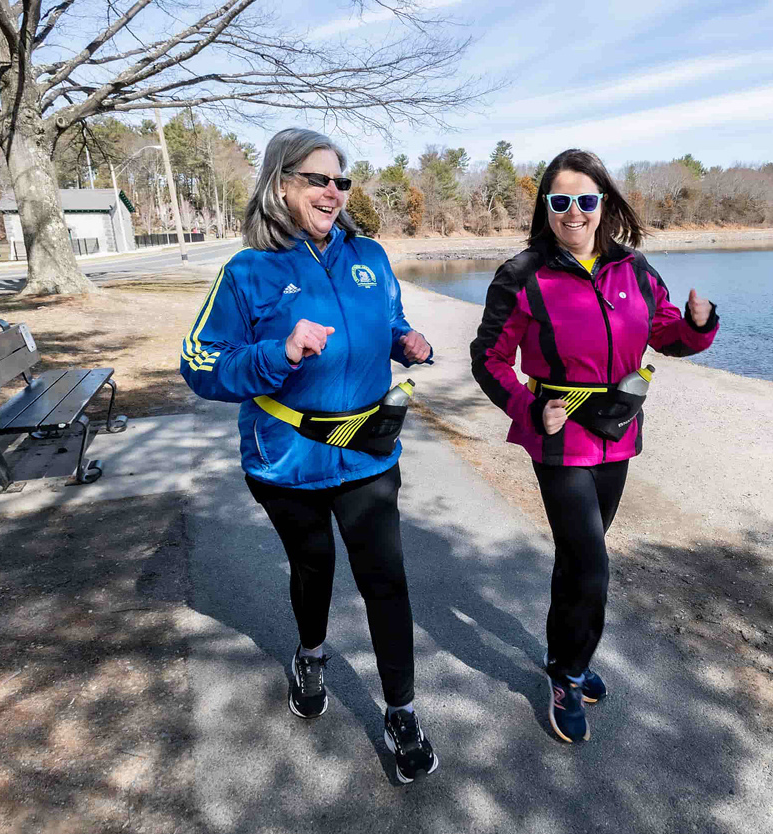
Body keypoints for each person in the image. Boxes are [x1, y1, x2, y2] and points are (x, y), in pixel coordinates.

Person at [180, 127, 439, 783]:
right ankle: (313, 652)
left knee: (387, 578)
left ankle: (402, 710)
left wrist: (405, 340)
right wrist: (280, 352)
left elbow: (388, 318)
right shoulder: (249, 271)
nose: (333, 191)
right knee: (314, 566)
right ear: (281, 185)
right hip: (286, 460)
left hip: (369, 455)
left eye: (341, 180)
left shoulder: (369, 256)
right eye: (318, 178)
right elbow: (199, 364)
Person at [470, 149, 720, 743]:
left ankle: (561, 655)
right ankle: (571, 674)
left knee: (577, 557)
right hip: (558, 434)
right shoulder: (523, 275)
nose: (574, 212)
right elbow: (488, 358)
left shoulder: (633, 269)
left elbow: (665, 334)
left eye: (586, 200)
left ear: (603, 205)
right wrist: (529, 408)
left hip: (618, 428)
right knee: (592, 565)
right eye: (561, 201)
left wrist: (699, 324)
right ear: (546, 208)